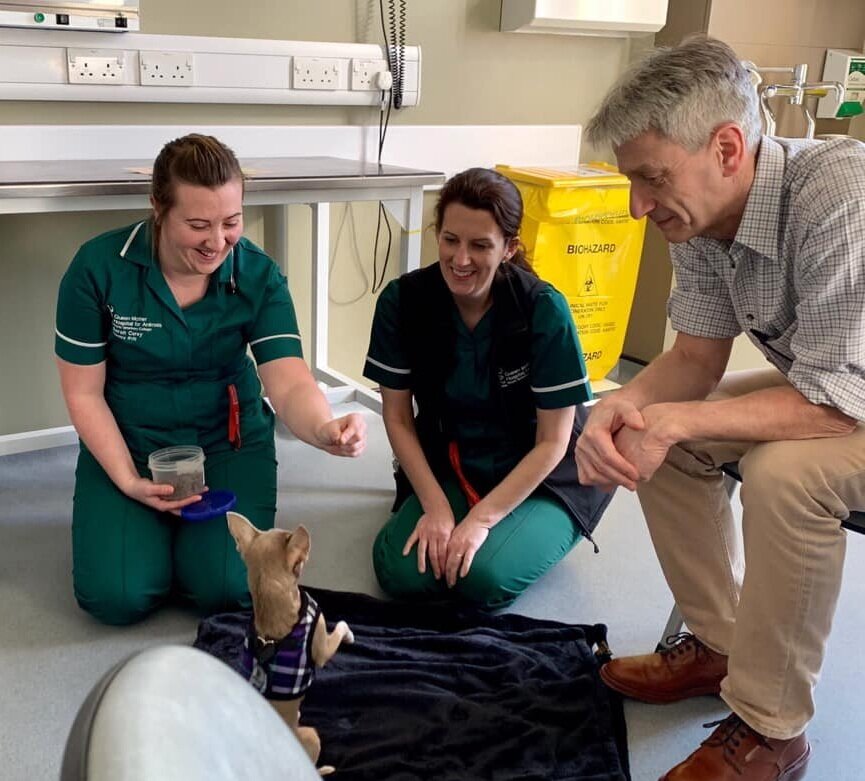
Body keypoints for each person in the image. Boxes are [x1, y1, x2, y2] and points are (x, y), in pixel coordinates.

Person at [578, 35, 865, 780]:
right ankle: (720, 643)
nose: (639, 206)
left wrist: (679, 417)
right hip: (830, 390)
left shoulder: (839, 192)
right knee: (657, 431)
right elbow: (693, 361)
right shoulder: (702, 214)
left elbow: (837, 405)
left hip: (848, 397)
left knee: (783, 472)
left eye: (650, 179)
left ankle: (774, 729)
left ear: (728, 147)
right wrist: (616, 408)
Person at [55, 134, 366, 626]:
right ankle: (143, 535)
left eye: (231, 222)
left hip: (227, 441)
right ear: (158, 208)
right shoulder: (98, 269)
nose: (217, 241)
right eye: (198, 224)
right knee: (115, 597)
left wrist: (322, 429)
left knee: (225, 588)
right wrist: (127, 480)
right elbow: (83, 392)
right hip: (131, 441)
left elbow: (287, 381)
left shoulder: (258, 276)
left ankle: (179, 547)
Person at [363, 167, 612, 610]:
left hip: (545, 474)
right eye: (450, 240)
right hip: (455, 460)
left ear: (509, 248)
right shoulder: (403, 303)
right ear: (437, 234)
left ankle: (545, 527)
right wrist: (437, 507)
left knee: (481, 580)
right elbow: (398, 417)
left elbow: (554, 442)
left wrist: (481, 519)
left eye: (480, 245)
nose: (461, 260)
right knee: (401, 573)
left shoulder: (542, 310)